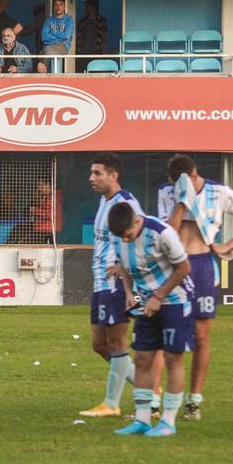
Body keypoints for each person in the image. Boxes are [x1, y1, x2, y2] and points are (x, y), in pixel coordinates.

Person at [164, 155, 233, 421]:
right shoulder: (167, 193)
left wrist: (229, 244)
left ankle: (194, 400)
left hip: (203, 267)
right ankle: (156, 400)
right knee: (167, 334)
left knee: (202, 337)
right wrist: (181, 204)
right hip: (174, 267)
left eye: (191, 180)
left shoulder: (219, 193)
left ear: (196, 175)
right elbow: (168, 234)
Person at [108, 201, 193, 438]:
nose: (125, 240)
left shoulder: (162, 233)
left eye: (128, 235)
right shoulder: (118, 236)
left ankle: (168, 421)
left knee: (172, 358)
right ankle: (143, 419)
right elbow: (123, 266)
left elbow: (184, 267)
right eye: (121, 237)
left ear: (137, 221)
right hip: (147, 302)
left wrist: (159, 296)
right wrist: (128, 292)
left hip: (175, 299)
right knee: (142, 358)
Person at [79, 153, 147, 419]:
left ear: (113, 176)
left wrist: (124, 265)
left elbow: (141, 232)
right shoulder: (103, 200)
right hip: (100, 281)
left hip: (116, 283)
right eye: (92, 173)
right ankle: (148, 388)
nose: (91, 178)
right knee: (99, 344)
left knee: (118, 343)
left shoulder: (127, 203)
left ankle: (111, 403)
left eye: (97, 173)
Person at [36, 0, 72, 74]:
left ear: (64, 6)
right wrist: (59, 38)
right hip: (48, 46)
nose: (58, 7)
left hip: (63, 46)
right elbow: (44, 37)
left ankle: (43, 71)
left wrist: (52, 33)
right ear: (53, 6)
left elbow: (66, 36)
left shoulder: (69, 20)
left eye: (60, 5)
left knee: (46, 50)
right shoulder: (49, 20)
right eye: (56, 5)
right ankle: (45, 71)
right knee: (43, 52)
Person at [76, 0, 108, 72]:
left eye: (87, 7)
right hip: (83, 52)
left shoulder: (101, 20)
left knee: (95, 71)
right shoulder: (83, 21)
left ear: (93, 7)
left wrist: (102, 51)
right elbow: (78, 34)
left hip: (96, 51)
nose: (85, 9)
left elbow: (104, 36)